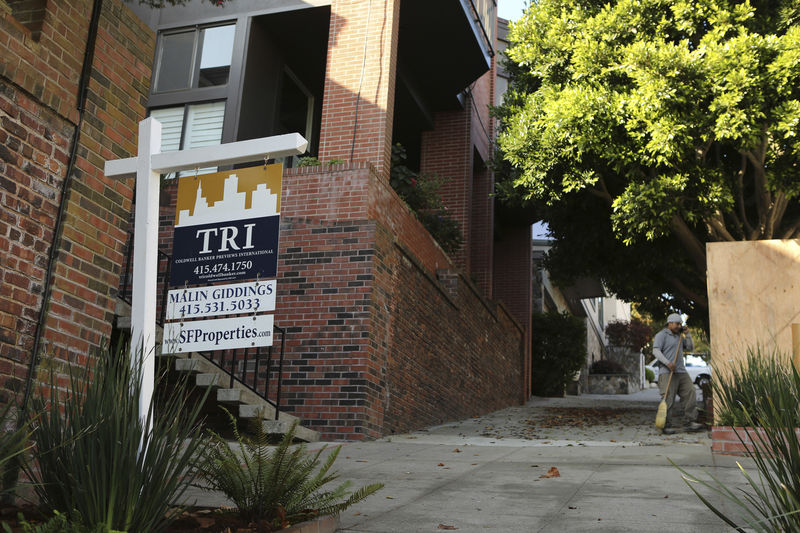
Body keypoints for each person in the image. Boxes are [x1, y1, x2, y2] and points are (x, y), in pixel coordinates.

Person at [652, 313, 704, 434]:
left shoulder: (680, 336)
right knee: (668, 398)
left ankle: (690, 422)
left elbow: (690, 347)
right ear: (670, 323)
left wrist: (688, 334)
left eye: (680, 324)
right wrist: (667, 363)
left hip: (681, 371)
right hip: (667, 372)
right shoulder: (661, 335)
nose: (679, 326)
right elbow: (655, 350)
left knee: (690, 392)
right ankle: (665, 425)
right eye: (677, 324)